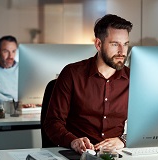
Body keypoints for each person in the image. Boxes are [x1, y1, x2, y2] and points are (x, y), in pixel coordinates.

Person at [43, 14, 133, 154]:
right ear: (98, 44)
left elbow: (149, 124)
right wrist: (72, 141)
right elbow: (52, 123)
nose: (122, 51)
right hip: (77, 153)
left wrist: (123, 140)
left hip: (115, 155)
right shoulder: (72, 73)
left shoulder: (133, 78)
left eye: (125, 44)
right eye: (115, 44)